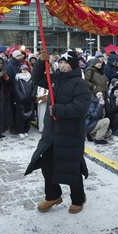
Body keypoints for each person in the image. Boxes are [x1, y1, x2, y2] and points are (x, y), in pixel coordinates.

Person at [25, 49, 91, 214]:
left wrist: (59, 110)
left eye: (66, 63)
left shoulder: (80, 83)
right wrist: (41, 62)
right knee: (47, 165)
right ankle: (53, 195)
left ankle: (78, 198)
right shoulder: (54, 78)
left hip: (70, 134)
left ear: (73, 65)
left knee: (71, 167)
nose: (62, 65)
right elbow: (37, 79)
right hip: (51, 133)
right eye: (61, 62)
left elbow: (81, 107)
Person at [14, 64, 35, 138]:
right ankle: (20, 130)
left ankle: (26, 130)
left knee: (28, 115)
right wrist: (21, 97)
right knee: (20, 116)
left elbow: (34, 88)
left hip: (29, 100)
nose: (25, 70)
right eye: (23, 69)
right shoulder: (18, 78)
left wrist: (32, 96)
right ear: (20, 70)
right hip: (21, 100)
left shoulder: (31, 77)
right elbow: (17, 89)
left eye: (26, 69)